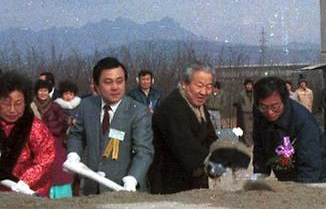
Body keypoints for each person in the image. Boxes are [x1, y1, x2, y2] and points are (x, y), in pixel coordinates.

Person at [67, 57, 153, 194]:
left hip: (124, 188)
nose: (115, 87)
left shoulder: (138, 111)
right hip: (92, 187)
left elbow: (144, 152)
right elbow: (76, 135)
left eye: (120, 81)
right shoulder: (87, 105)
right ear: (96, 85)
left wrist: (132, 178)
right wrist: (73, 154)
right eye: (108, 82)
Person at [149, 63, 218, 194]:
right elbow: (185, 146)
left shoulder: (198, 105)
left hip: (194, 182)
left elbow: (210, 136)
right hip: (170, 184)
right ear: (184, 84)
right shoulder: (172, 107)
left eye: (208, 87)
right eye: (199, 86)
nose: (204, 92)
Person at [252, 77, 326, 183]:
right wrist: (260, 173)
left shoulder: (303, 120)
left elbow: (310, 162)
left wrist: (301, 190)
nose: (270, 112)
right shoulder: (259, 112)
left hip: (316, 171)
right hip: (285, 168)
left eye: (275, 107)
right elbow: (260, 146)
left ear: (284, 100)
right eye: (263, 107)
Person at [0, 72, 55, 197]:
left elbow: (46, 159)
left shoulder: (35, 127)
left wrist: (20, 183)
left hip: (28, 192)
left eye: (18, 104)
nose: (12, 109)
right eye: (6, 103)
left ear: (26, 103)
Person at [31, 79, 73, 198]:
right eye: (40, 90)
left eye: (45, 90)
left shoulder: (55, 106)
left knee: (58, 168)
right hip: (38, 142)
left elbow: (63, 121)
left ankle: (60, 195)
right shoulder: (32, 106)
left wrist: (54, 128)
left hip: (56, 141)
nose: (43, 93)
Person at [234, 79, 254, 146]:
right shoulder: (242, 94)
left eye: (250, 85)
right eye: (247, 85)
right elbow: (237, 102)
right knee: (246, 129)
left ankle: (252, 142)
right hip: (245, 113)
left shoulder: (255, 93)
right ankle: (248, 144)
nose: (249, 86)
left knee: (253, 128)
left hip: (253, 112)